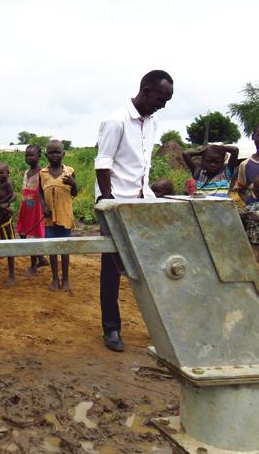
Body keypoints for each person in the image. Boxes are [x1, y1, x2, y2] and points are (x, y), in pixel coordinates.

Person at [95, 69, 174, 353]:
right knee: (113, 270)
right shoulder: (116, 121)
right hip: (115, 204)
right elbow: (103, 164)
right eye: (161, 98)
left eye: (167, 101)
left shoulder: (152, 122)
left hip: (141, 202)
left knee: (151, 264)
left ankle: (156, 325)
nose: (163, 105)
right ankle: (112, 328)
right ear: (146, 89)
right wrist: (108, 203)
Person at [39, 140, 77, 293]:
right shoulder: (43, 173)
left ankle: (66, 278)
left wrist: (74, 183)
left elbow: (75, 193)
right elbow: (40, 192)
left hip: (64, 215)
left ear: (63, 154)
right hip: (49, 218)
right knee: (52, 248)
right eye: (51, 152)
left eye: (57, 152)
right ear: (46, 154)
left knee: (65, 248)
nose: (54, 155)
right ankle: (55, 278)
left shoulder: (69, 171)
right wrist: (43, 206)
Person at [16, 144, 48, 273]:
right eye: (26, 155)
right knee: (24, 233)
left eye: (31, 155)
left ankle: (34, 266)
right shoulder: (27, 172)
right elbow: (25, 191)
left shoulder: (42, 173)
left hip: (36, 209)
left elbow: (43, 192)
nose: (28, 157)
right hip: (26, 208)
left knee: (33, 235)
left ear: (39, 156)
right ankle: (41, 259)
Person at [235, 124, 259, 205]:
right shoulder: (245, 165)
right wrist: (251, 205)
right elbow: (241, 190)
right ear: (253, 137)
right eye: (258, 135)